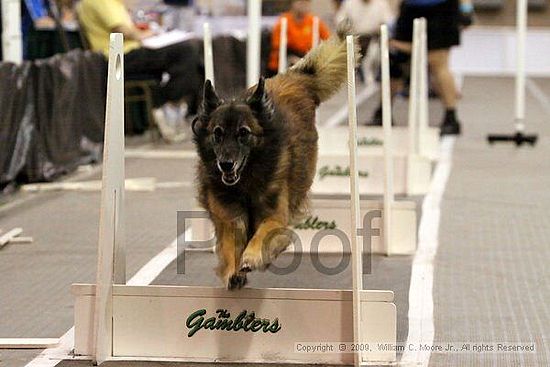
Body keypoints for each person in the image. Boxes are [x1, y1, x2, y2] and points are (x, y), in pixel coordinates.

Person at [78, 0, 203, 142]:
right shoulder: (101, 2)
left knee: (191, 51)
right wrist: (151, 33)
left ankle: (169, 103)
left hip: (130, 51)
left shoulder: (113, 3)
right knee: (187, 50)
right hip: (119, 56)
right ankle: (165, 103)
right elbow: (122, 30)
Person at [369, 0, 473, 135]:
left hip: (442, 8)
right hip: (410, 7)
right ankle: (382, 113)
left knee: (437, 63)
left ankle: (451, 117)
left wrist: (466, 8)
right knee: (394, 59)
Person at [267, 0, 330, 76]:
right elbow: (278, 46)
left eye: (307, 2)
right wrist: (295, 60)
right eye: (301, 2)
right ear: (293, 3)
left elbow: (328, 41)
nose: (304, 5)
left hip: (307, 59)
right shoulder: (284, 21)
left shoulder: (314, 21)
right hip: (285, 62)